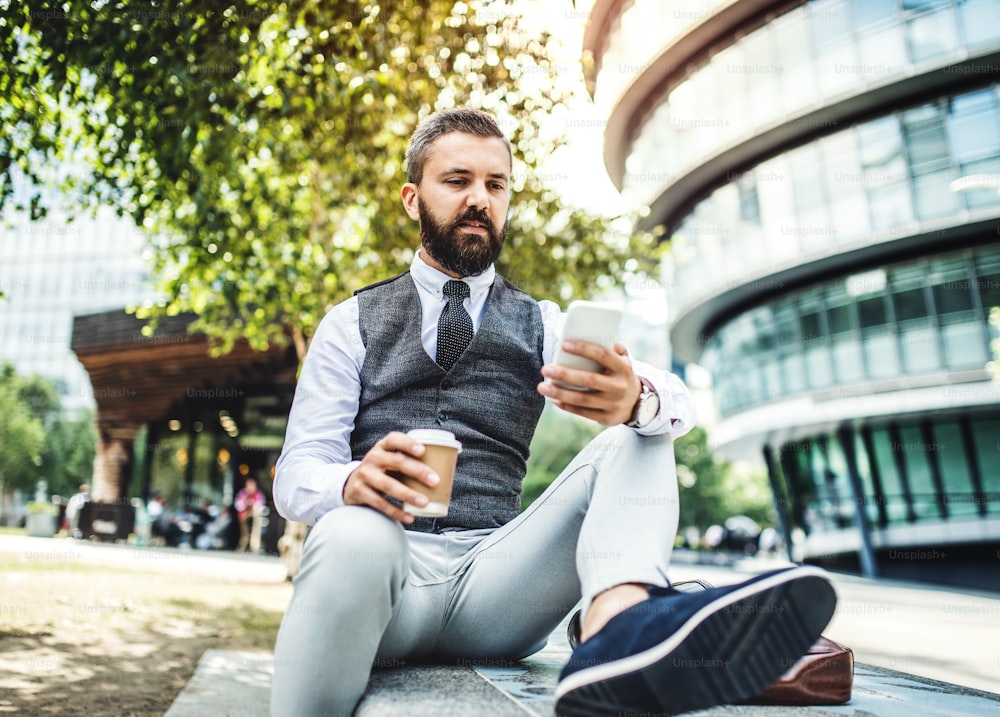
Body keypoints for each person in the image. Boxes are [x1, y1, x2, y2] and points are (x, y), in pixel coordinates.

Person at [269, 107, 837, 717]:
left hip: (497, 585)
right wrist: (353, 482)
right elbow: (296, 473)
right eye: (457, 181)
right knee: (352, 532)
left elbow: (678, 400)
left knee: (638, 430)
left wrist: (635, 398)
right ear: (413, 199)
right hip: (385, 576)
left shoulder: (543, 323)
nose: (479, 200)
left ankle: (619, 631)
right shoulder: (349, 322)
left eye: (496, 184)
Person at [234, 478, 265, 553]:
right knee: (244, 530)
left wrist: (253, 505)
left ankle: (254, 545)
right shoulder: (242, 494)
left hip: (254, 515)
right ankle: (243, 544)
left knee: (258, 520)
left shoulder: (258, 494)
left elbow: (261, 505)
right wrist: (246, 504)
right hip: (244, 515)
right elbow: (237, 505)